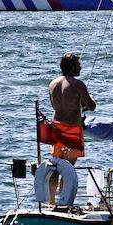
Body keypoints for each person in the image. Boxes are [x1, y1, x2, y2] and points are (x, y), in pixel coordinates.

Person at [46, 53, 96, 203]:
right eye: (78, 65)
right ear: (72, 66)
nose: (80, 67)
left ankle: (51, 202)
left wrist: (78, 103)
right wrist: (90, 98)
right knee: (67, 168)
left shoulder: (52, 84)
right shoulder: (78, 84)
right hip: (72, 130)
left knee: (55, 166)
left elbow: (55, 105)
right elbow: (92, 106)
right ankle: (64, 202)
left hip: (56, 128)